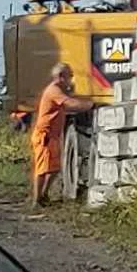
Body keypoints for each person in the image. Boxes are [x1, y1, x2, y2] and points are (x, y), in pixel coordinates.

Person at [31, 63, 93, 208]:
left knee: (54, 168)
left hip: (51, 136)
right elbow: (70, 104)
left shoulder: (59, 90)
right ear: (60, 77)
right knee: (42, 169)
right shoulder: (54, 91)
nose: (71, 79)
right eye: (69, 76)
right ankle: (37, 200)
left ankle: (43, 196)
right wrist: (91, 105)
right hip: (44, 136)